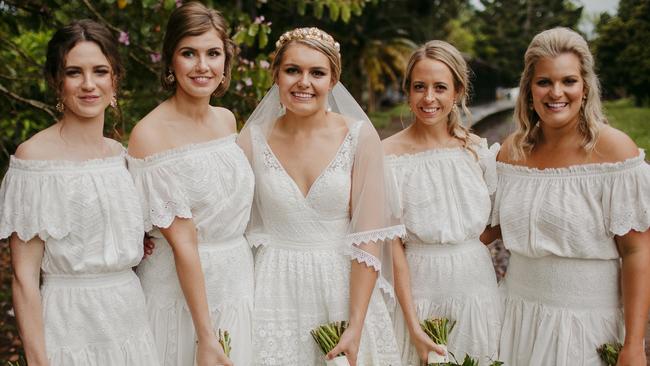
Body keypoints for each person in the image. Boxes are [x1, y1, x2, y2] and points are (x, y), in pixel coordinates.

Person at [238, 27, 402, 366]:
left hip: (342, 288)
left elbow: (368, 239)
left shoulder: (359, 137)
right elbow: (226, 218)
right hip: (272, 290)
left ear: (332, 80)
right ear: (276, 75)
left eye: (317, 73)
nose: (304, 82)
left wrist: (355, 325)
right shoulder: (251, 140)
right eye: (293, 70)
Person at [0, 19, 159, 365]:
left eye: (100, 71)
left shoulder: (121, 156)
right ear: (57, 82)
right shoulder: (34, 160)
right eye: (74, 72)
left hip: (131, 320)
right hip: (69, 327)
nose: (89, 84)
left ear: (114, 79)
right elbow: (24, 281)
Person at [493, 27, 650, 366]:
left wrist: (634, 345)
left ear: (586, 87)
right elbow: (485, 231)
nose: (556, 93)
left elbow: (637, 250)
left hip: (585, 325)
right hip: (515, 316)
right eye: (544, 82)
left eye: (568, 81)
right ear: (529, 89)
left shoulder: (613, 151)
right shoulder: (512, 152)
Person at [127, 3, 253, 366]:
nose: (202, 66)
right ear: (170, 61)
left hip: (237, 280)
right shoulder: (149, 134)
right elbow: (184, 245)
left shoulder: (227, 120)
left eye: (213, 53)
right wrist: (206, 335)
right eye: (189, 54)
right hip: (181, 298)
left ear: (226, 62)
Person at [383, 40, 502, 365]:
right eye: (419, 87)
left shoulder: (477, 151)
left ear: (458, 91)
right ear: (407, 91)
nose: (429, 98)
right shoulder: (387, 157)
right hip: (419, 290)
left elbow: (495, 224)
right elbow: (392, 247)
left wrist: (460, 248)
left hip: (475, 286)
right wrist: (413, 324)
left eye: (440, 87)